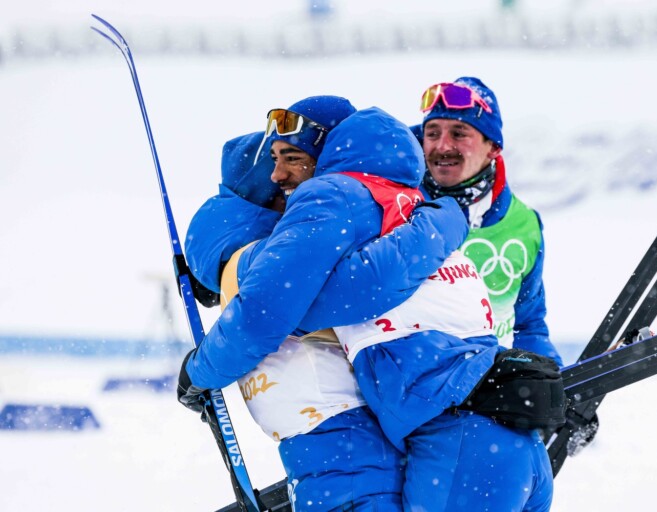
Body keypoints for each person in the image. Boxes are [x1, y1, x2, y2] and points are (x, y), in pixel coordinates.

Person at [180, 104, 564, 511]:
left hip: (455, 440)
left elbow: (264, 314)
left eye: (291, 157)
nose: (278, 175)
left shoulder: (331, 198)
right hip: (508, 427)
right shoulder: (417, 208)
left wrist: (199, 371)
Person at [416, 77, 562, 366]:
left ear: (493, 147)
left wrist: (557, 381)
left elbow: (528, 326)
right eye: (432, 133)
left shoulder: (524, 224)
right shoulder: (399, 207)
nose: (442, 146)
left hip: (491, 382)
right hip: (415, 382)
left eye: (459, 134)